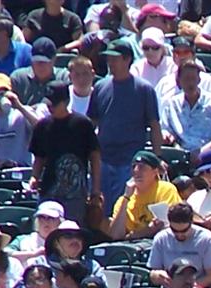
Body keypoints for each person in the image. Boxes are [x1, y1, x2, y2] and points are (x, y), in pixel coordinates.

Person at [88, 38, 162, 216]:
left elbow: (154, 125)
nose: (110, 63)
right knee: (102, 210)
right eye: (109, 58)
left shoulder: (144, 89)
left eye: (115, 58)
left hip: (130, 161)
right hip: (104, 159)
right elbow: (92, 123)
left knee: (124, 208)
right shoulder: (100, 87)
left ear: (127, 59)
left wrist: (157, 158)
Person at [29, 82, 100, 227]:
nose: (50, 107)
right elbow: (39, 158)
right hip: (49, 191)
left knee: (72, 230)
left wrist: (95, 190)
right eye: (49, 103)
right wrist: (34, 177)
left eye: (54, 104)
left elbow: (95, 157)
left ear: (66, 102)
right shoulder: (43, 126)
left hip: (76, 194)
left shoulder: (82, 124)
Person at [159, 59, 211, 159]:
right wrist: (167, 137)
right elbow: (165, 130)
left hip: (209, 155)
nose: (190, 83)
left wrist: (201, 154)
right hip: (179, 153)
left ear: (199, 80)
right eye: (186, 79)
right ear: (179, 81)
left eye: (193, 78)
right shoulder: (171, 104)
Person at [108, 150, 181, 240]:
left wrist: (133, 235)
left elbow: (168, 226)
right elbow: (115, 236)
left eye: (142, 167)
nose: (136, 171)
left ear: (155, 171)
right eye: (134, 167)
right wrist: (126, 197)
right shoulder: (123, 200)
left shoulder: (166, 189)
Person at [148, 202, 211, 288]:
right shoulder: (161, 238)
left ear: (191, 223)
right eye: (174, 230)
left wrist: (186, 287)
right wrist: (157, 275)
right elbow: (153, 272)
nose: (179, 235)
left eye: (184, 231)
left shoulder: (207, 240)